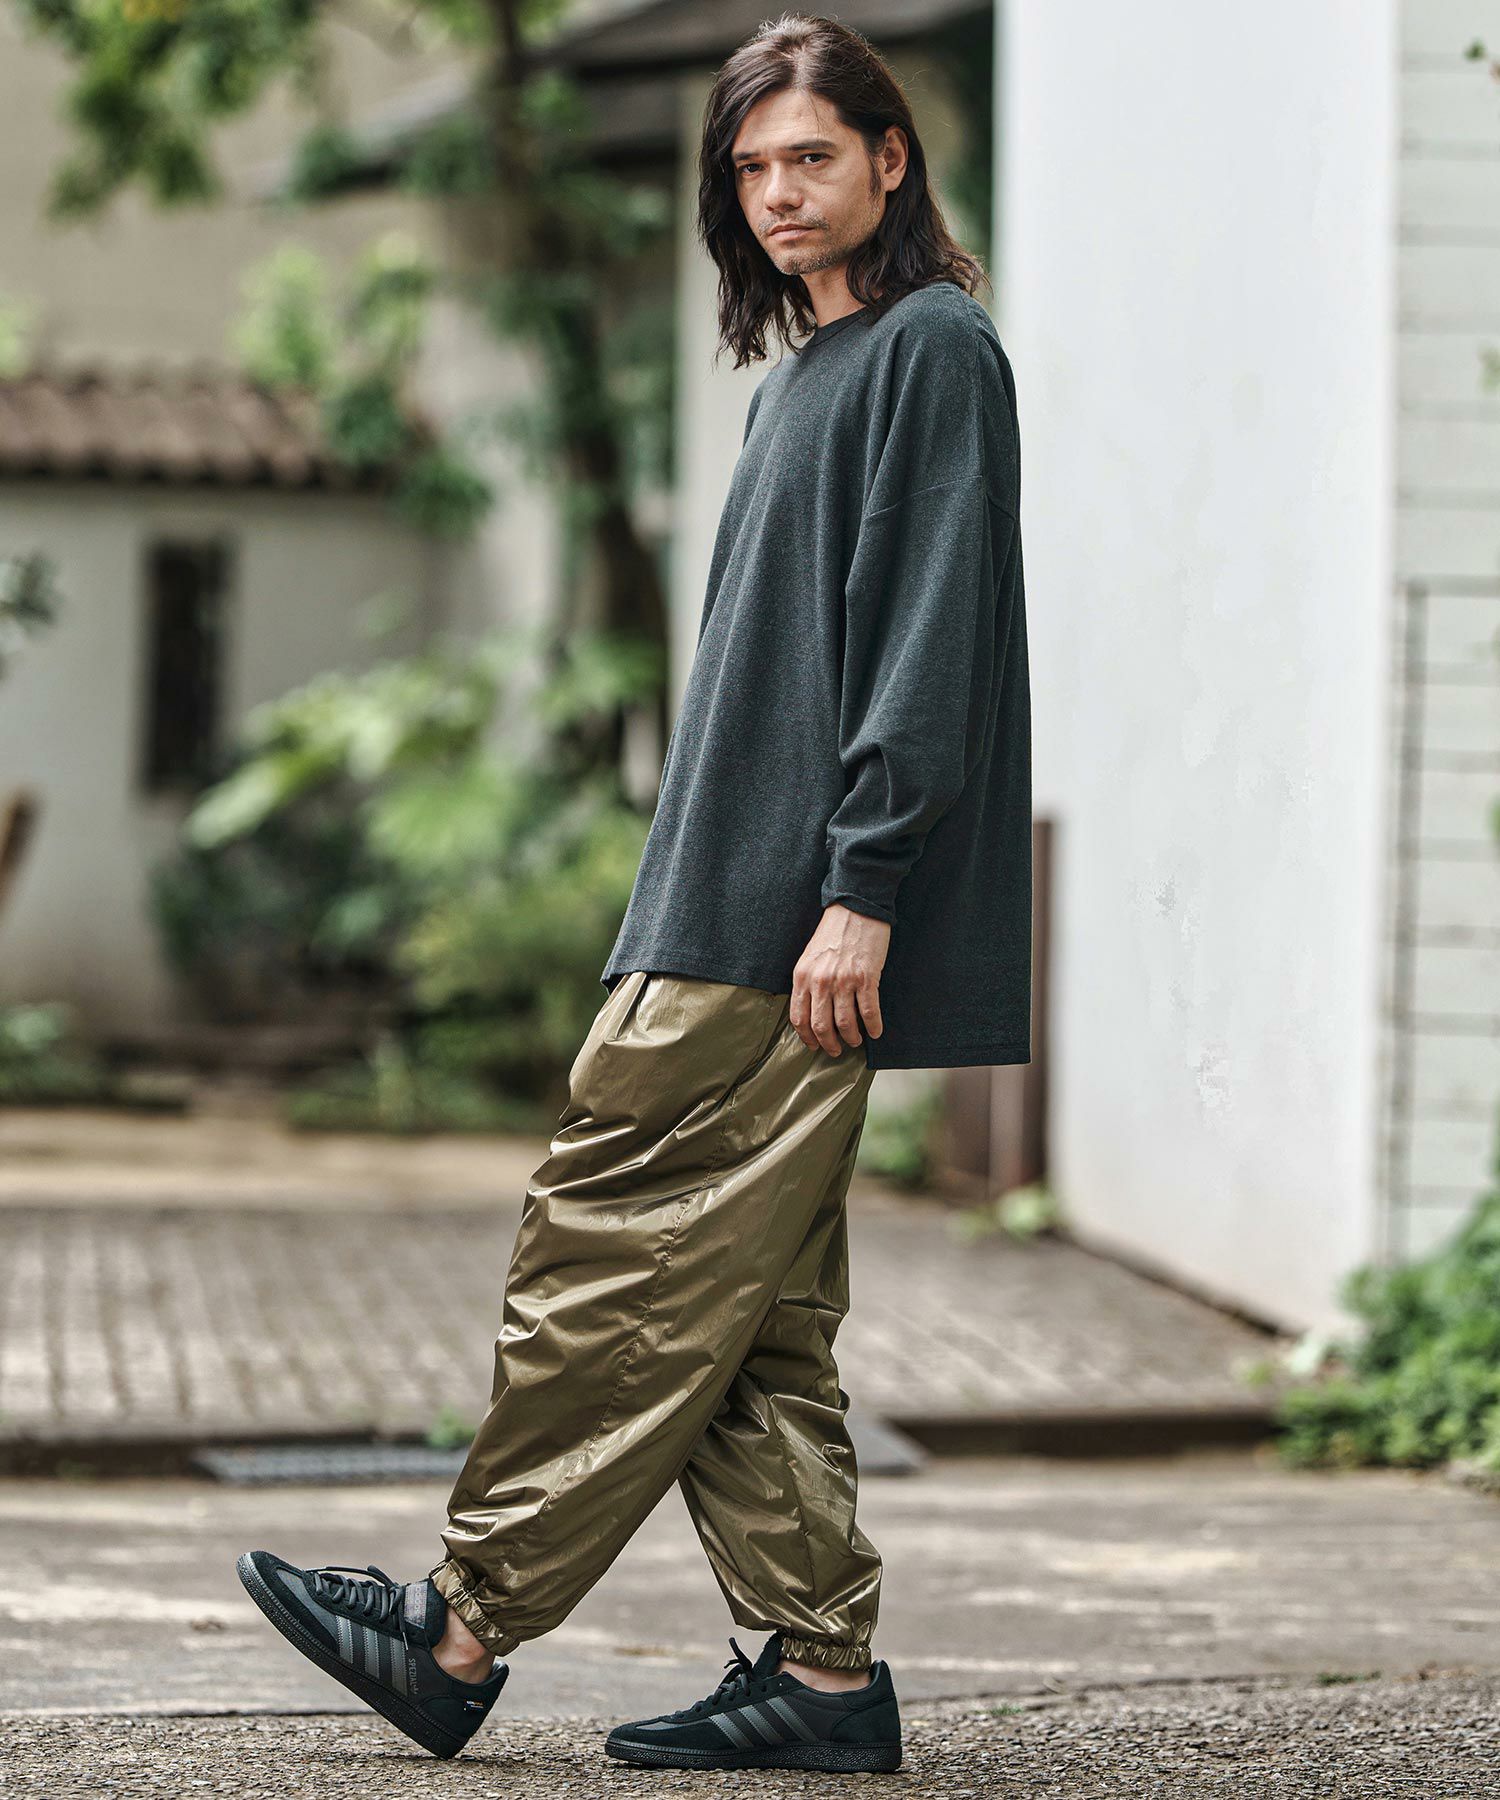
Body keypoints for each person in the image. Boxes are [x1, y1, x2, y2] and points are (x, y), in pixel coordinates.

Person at [236, 10, 1030, 1773]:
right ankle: (824, 1680)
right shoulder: (795, 379)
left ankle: (455, 1632)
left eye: (811, 155)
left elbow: (932, 642)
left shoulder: (934, 351)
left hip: (785, 921)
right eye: (749, 168)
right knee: (748, 1319)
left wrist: (863, 887)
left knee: (605, 1250)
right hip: (722, 891)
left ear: (891, 159)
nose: (778, 192)